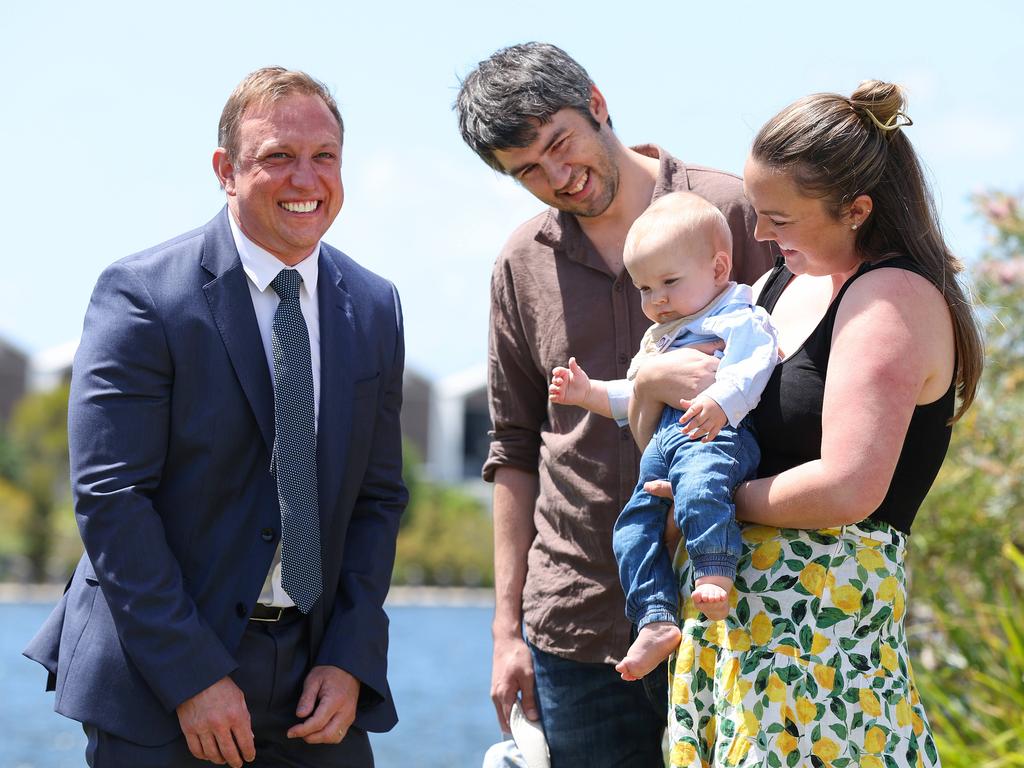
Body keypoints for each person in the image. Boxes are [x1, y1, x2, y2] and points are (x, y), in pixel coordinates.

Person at [23, 67, 407, 768]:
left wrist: (351, 656)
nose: (306, 179)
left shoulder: (374, 306)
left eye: (324, 157)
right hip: (158, 674)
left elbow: (377, 501)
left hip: (314, 684)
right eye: (277, 157)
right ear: (226, 170)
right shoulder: (141, 296)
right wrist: (191, 674)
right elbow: (112, 500)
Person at [455, 42, 775, 766]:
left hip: (733, 597)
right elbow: (512, 449)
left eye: (559, 144)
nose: (557, 177)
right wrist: (506, 631)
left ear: (598, 103)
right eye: (527, 171)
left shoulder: (733, 210)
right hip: (577, 620)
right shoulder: (520, 262)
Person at [660, 81, 983, 767]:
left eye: (780, 218)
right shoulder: (778, 287)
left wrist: (709, 501)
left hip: (824, 649)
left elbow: (847, 487)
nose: (759, 235)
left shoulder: (893, 298)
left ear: (856, 210)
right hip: (741, 643)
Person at [548, 192, 777, 682]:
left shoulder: (739, 315)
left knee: (700, 489)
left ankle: (715, 569)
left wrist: (722, 401)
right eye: (645, 289)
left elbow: (755, 368)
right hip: (662, 448)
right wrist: (588, 393)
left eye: (669, 282)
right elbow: (632, 397)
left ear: (718, 269)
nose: (657, 301)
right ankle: (654, 618)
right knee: (631, 529)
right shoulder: (663, 338)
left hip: (716, 434)